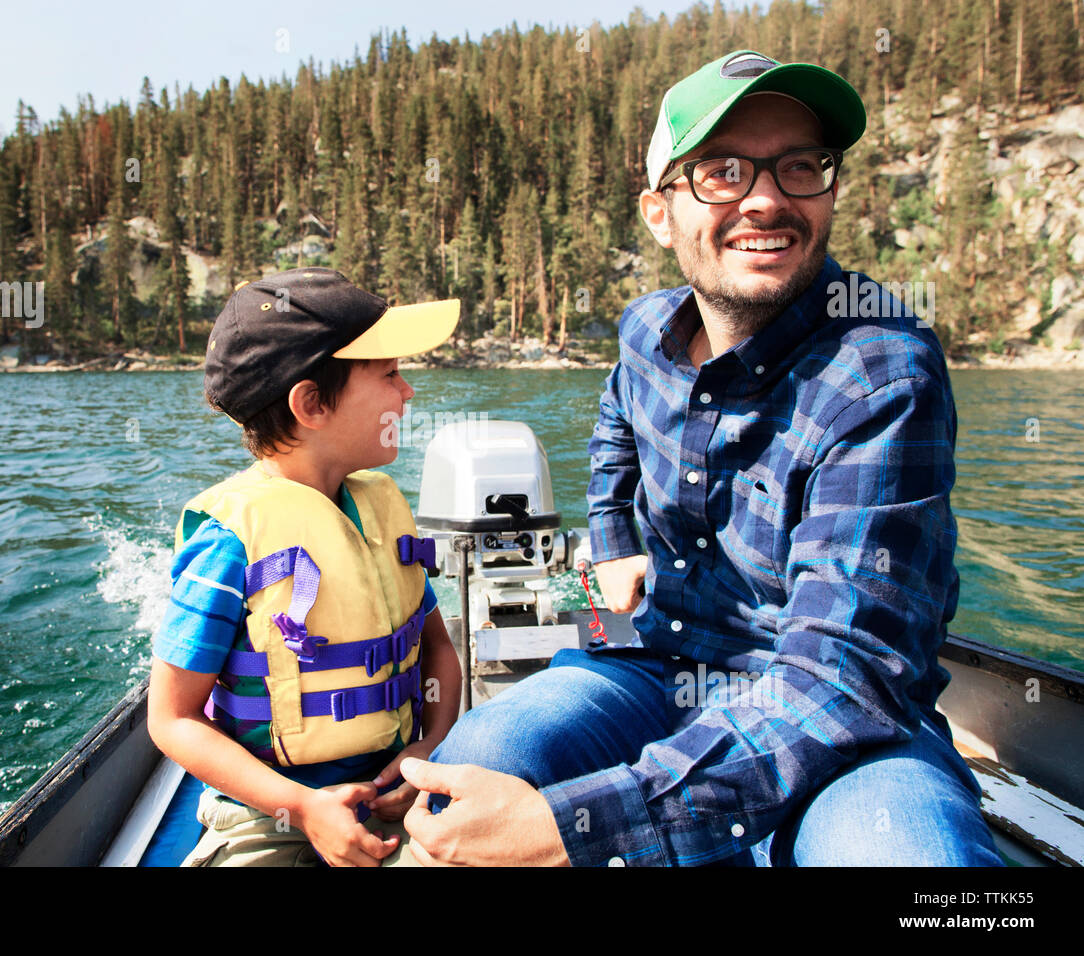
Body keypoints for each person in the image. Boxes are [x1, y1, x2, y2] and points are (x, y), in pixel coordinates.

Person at [399, 50, 1003, 866]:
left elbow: (846, 676)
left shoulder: (882, 371)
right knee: (468, 776)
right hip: (649, 664)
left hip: (831, 715)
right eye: (722, 171)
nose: (766, 199)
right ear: (660, 212)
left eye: (800, 167)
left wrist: (579, 826)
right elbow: (615, 418)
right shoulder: (645, 331)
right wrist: (612, 539)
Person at [148, 267, 463, 867]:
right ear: (312, 403)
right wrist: (302, 805)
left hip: (401, 795)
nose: (409, 392)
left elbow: (438, 651)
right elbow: (172, 718)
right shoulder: (228, 542)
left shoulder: (381, 508)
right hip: (269, 817)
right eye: (390, 374)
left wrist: (429, 742)